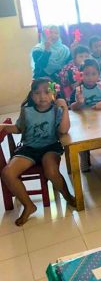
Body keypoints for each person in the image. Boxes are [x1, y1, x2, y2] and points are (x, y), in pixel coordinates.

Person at [0, 78, 75, 226]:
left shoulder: (56, 110)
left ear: (53, 93)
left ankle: (68, 196)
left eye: (47, 92)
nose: (42, 96)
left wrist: (65, 109)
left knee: (51, 171)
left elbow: (63, 130)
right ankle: (29, 206)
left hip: (50, 147)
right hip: (29, 149)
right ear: (32, 95)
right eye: (37, 93)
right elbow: (19, 128)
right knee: (7, 173)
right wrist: (3, 126)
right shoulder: (26, 111)